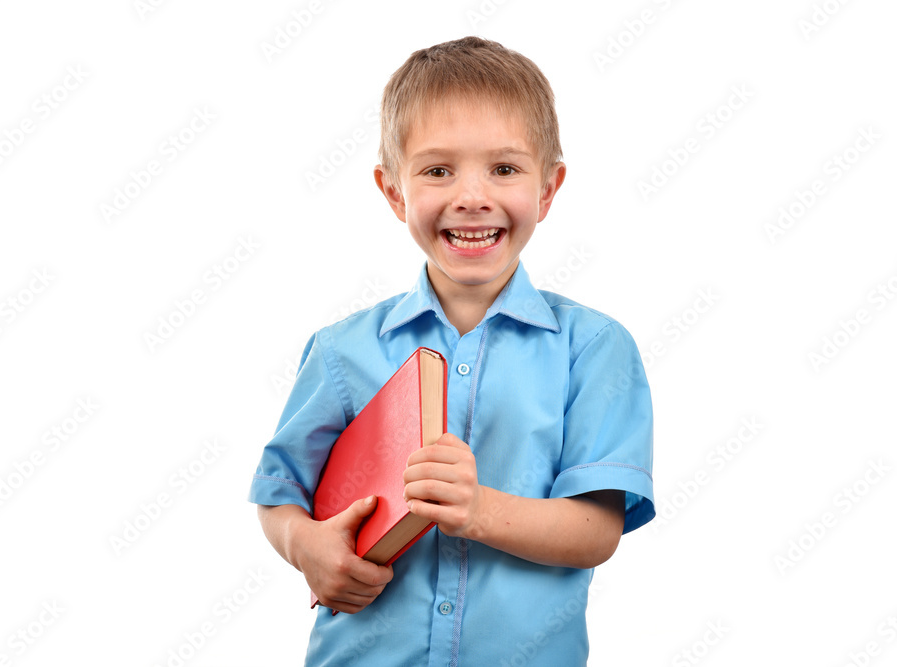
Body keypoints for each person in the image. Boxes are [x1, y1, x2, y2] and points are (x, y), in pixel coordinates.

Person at [250, 36, 654, 665]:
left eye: (504, 169)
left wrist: (479, 509)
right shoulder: (339, 351)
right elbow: (281, 493)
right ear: (394, 191)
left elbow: (596, 531)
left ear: (548, 189)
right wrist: (307, 547)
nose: (471, 196)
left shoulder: (594, 349)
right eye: (438, 171)